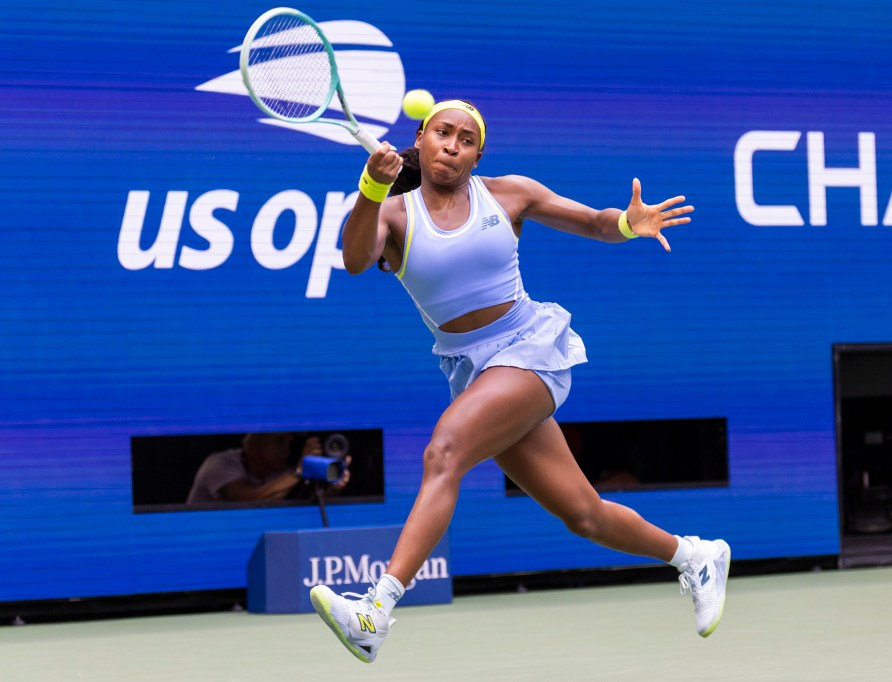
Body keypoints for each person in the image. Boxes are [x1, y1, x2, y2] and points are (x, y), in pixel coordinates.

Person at [309, 100, 730, 663]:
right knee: (583, 514)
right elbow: (355, 259)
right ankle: (694, 556)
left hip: (529, 349)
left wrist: (631, 223)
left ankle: (376, 610)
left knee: (445, 451)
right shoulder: (394, 211)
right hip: (471, 369)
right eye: (442, 133)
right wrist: (370, 188)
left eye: (465, 138)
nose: (452, 145)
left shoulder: (509, 193)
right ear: (421, 138)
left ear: (478, 153)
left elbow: (595, 222)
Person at [187, 432, 350, 504]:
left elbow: (304, 508)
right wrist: (300, 470)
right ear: (255, 442)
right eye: (279, 441)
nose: (286, 450)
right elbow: (249, 501)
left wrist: (333, 488)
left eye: (289, 443)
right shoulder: (220, 463)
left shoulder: (281, 472)